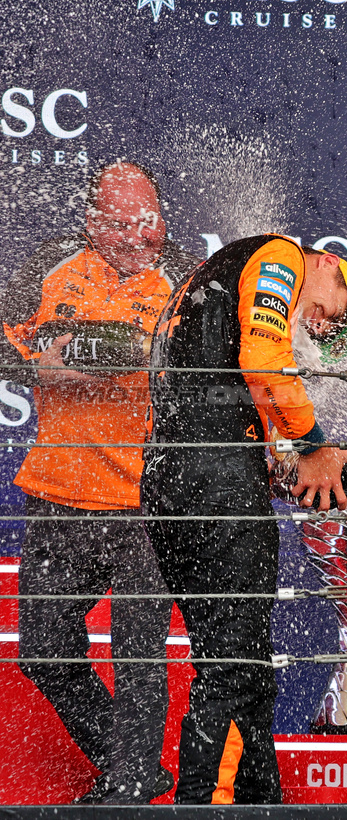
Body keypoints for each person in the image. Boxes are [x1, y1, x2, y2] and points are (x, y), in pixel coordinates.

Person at [143, 233, 347, 804]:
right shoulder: (280, 254)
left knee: (241, 664)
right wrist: (314, 445)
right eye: (323, 312)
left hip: (169, 478)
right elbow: (263, 361)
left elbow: (213, 386)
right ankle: (196, 805)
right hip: (214, 484)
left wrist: (270, 463)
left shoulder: (212, 277)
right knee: (233, 666)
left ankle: (263, 799)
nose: (315, 326)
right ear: (324, 264)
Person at [0, 162, 193, 803]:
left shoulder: (187, 282)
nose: (141, 237)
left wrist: (137, 354)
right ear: (92, 223)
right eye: (123, 224)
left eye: (150, 222)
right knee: (45, 648)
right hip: (57, 491)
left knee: (141, 655)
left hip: (145, 499)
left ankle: (130, 786)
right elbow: (9, 348)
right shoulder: (47, 274)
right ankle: (127, 764)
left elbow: (207, 371)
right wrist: (50, 365)